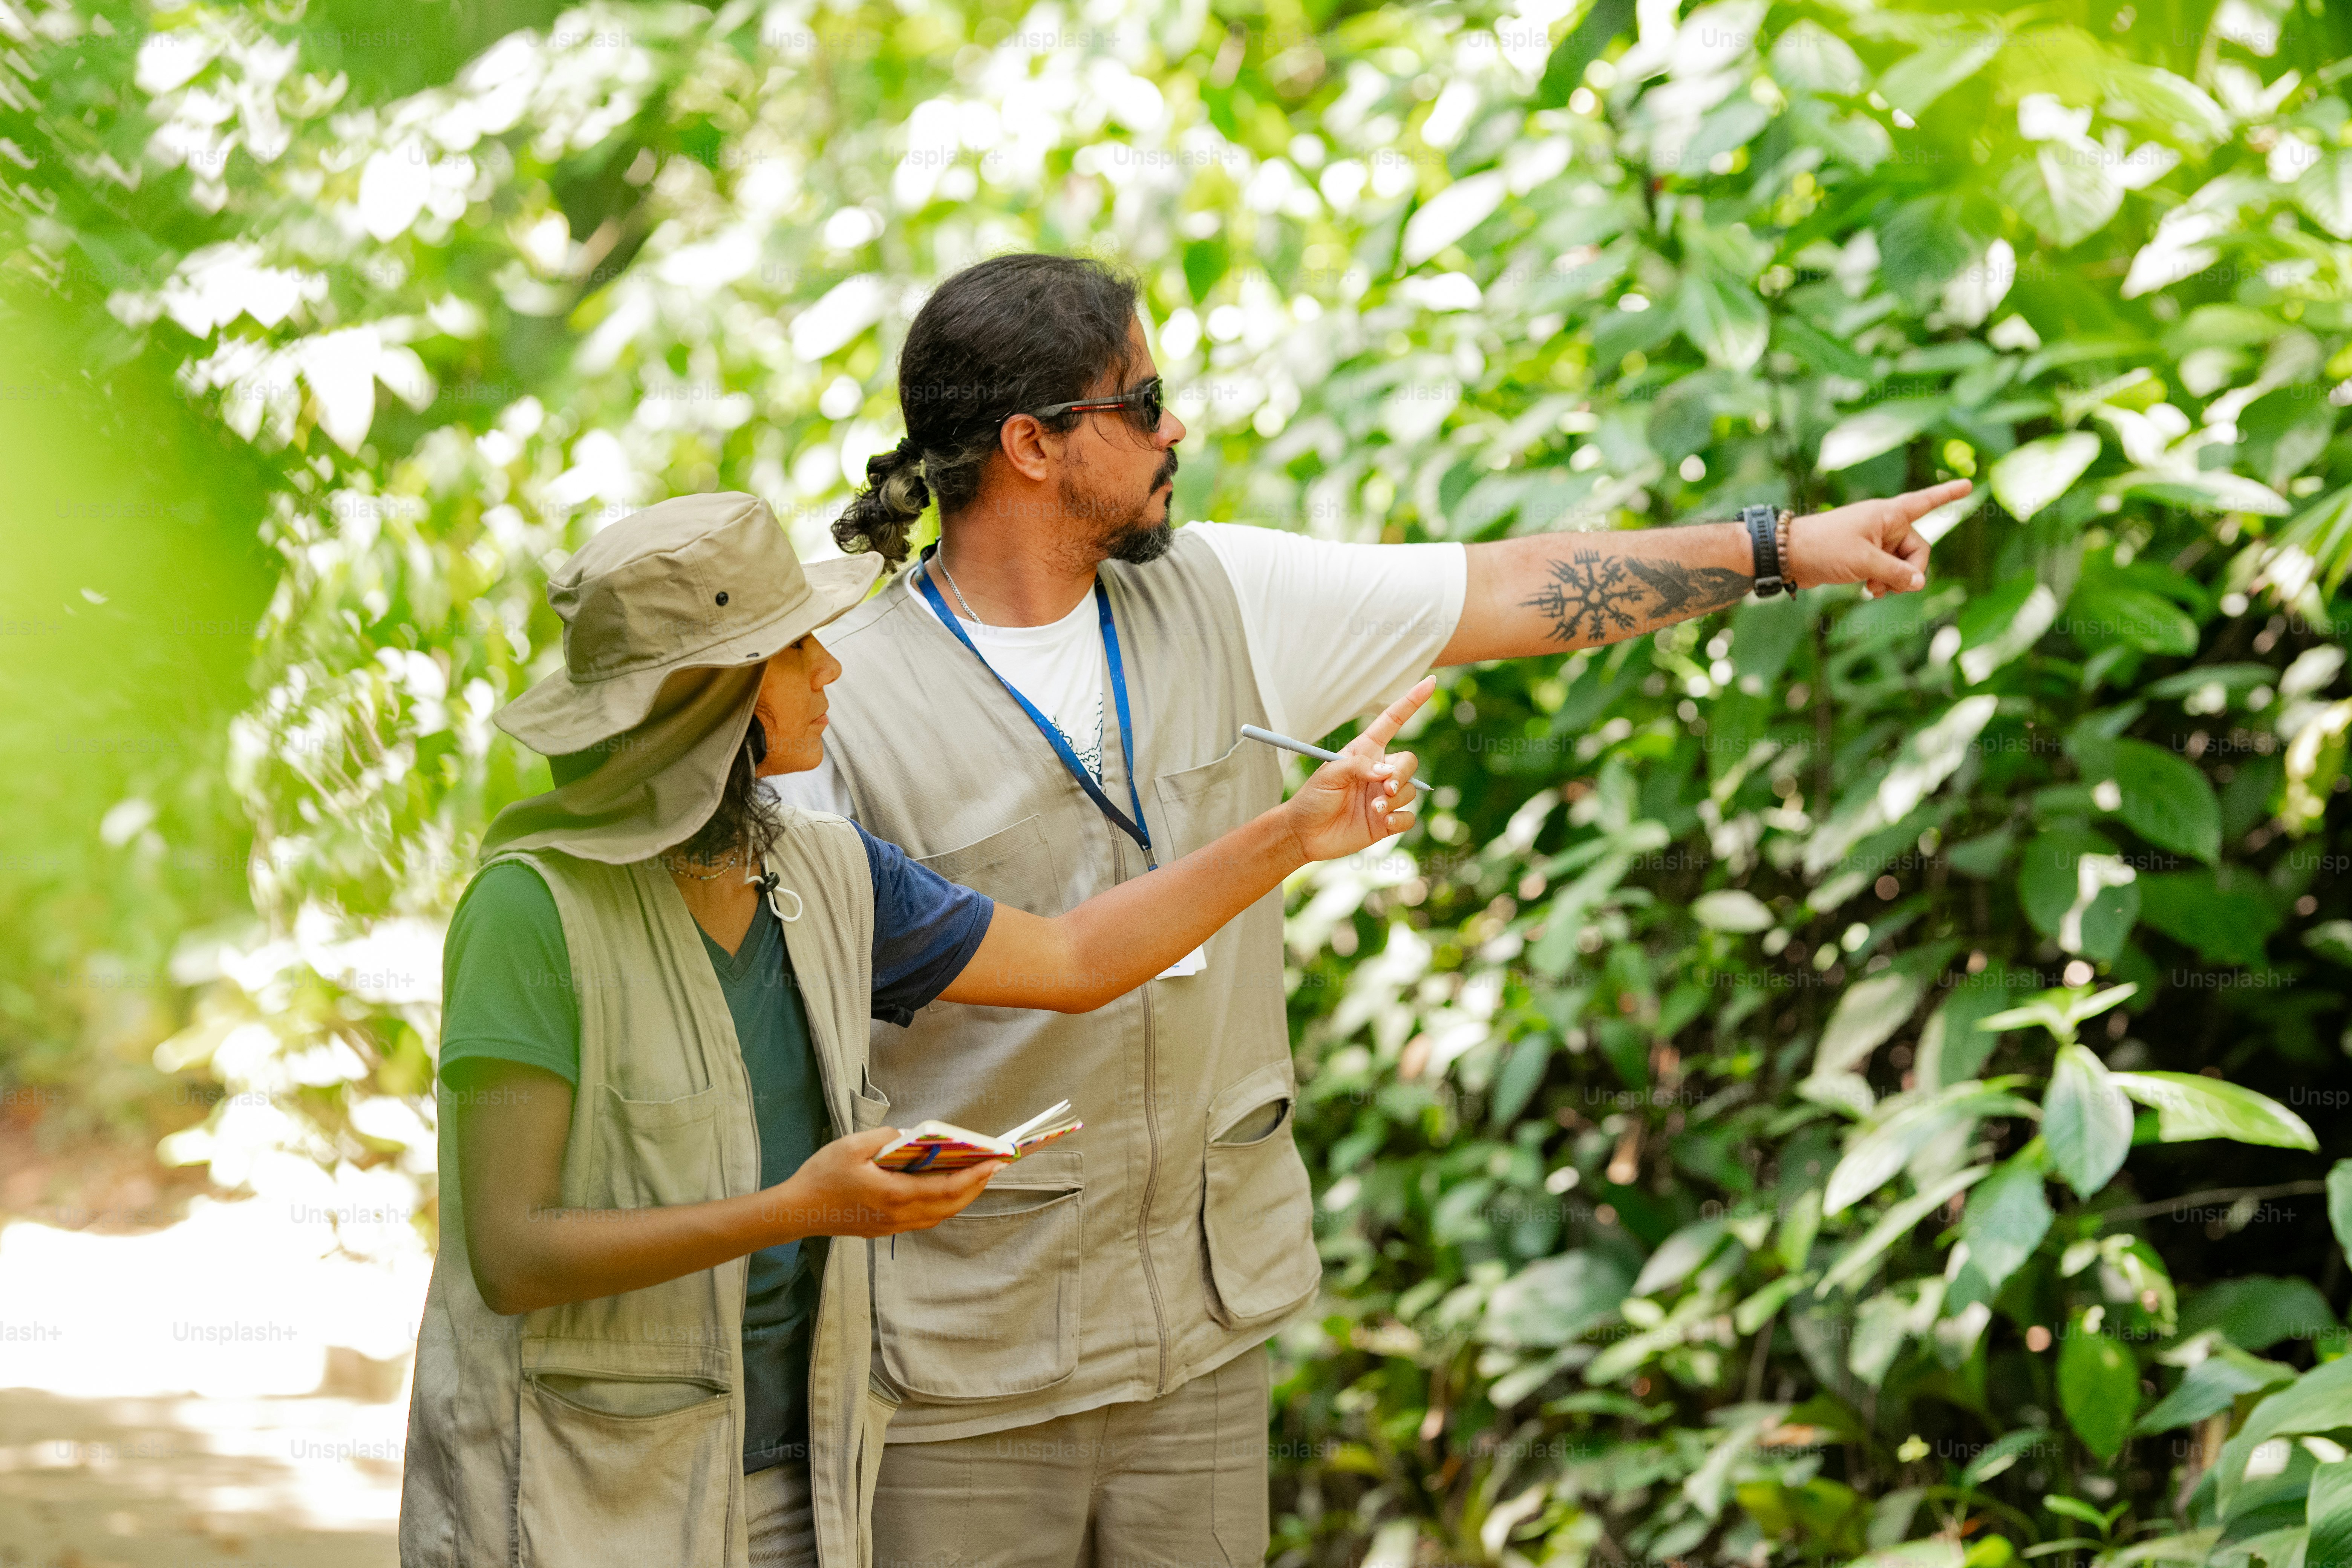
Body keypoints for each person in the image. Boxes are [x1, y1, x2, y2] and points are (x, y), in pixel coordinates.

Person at [774, 252, 1973, 1568]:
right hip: (965, 1373)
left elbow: (1512, 585)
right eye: (1144, 400)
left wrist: (1781, 548)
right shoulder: (836, 703)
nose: (1178, 428)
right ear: (1032, 445)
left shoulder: (1226, 593)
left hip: (1203, 1340)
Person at [397, 492, 1431, 1568]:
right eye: (798, 650)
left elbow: (1073, 961)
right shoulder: (528, 915)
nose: (831, 669)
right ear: (719, 699)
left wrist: (1295, 834)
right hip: (581, 1490)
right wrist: (800, 1209)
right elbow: (513, 1252)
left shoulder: (821, 870)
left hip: (802, 1477)